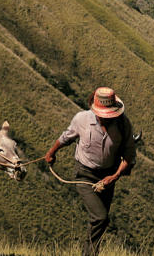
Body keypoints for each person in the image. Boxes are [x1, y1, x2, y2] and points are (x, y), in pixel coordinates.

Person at [45, 87, 136, 256]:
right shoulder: (82, 119)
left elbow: (129, 156)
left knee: (99, 221)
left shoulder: (123, 125)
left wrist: (114, 177)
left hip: (108, 177)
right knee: (101, 217)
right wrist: (51, 153)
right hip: (84, 174)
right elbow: (66, 137)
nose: (106, 119)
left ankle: (89, 253)